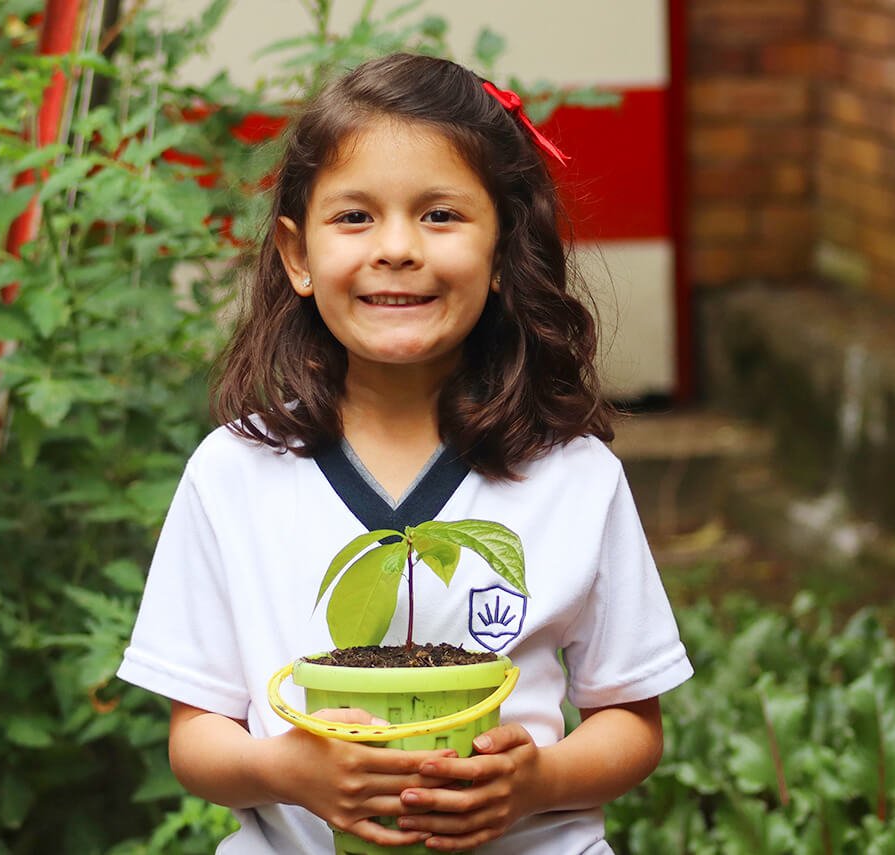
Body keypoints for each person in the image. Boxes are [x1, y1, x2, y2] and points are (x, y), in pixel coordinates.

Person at [116, 52, 693, 854]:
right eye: (354, 217)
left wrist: (537, 782)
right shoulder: (233, 472)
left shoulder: (572, 475)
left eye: (440, 215)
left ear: (502, 252)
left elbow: (630, 718)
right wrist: (288, 770)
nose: (396, 247)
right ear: (296, 254)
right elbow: (198, 738)